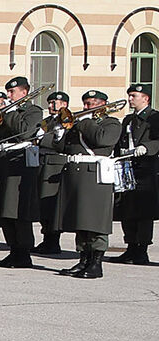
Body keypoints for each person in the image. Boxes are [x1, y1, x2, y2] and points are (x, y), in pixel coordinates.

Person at [54, 90, 122, 279]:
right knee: (81, 220)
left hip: (95, 175)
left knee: (95, 221)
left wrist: (84, 121)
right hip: (77, 174)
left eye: (91, 104)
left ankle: (96, 263)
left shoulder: (111, 123)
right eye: (85, 103)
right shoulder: (79, 124)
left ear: (103, 104)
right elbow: (62, 148)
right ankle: (83, 260)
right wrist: (60, 132)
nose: (86, 107)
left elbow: (102, 139)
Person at [0, 77, 43, 268]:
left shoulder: (33, 111)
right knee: (3, 210)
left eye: (12, 92)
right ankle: (13, 249)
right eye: (8, 92)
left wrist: (10, 113)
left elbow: (24, 132)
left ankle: (23, 252)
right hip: (3, 161)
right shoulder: (6, 112)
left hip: (20, 163)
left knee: (18, 210)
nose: (8, 96)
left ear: (24, 93)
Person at [113, 84, 159, 263]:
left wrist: (147, 147)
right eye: (130, 95)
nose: (130, 99)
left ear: (145, 98)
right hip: (128, 168)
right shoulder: (128, 119)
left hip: (145, 169)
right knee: (127, 208)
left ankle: (142, 249)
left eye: (134, 96)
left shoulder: (154, 118)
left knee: (143, 211)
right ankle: (130, 247)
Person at [33, 91, 71, 255]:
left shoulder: (67, 120)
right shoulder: (46, 121)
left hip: (56, 164)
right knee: (42, 204)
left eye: (55, 102)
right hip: (42, 162)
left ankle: (53, 241)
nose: (51, 105)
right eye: (49, 102)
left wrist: (44, 139)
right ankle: (46, 238)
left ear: (64, 104)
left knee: (52, 204)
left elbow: (61, 143)